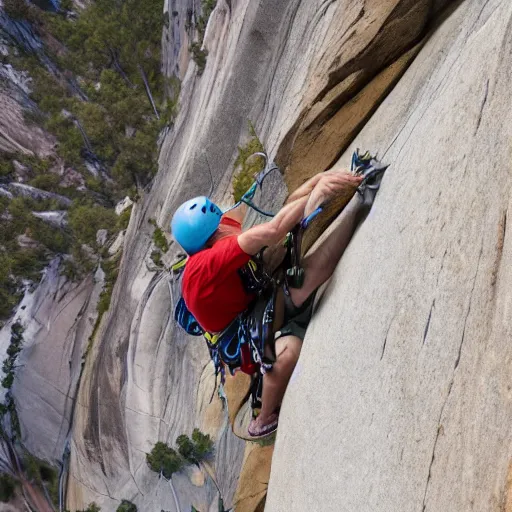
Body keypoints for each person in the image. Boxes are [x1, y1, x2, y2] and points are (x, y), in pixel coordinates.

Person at [171, 165, 383, 437]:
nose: (227, 226)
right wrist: (318, 192)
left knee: (303, 276)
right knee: (287, 351)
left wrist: (319, 178)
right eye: (221, 225)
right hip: (245, 338)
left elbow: (282, 211)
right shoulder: (206, 266)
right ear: (212, 234)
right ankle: (263, 415)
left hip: (256, 306)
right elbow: (273, 229)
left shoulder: (211, 240)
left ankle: (360, 201)